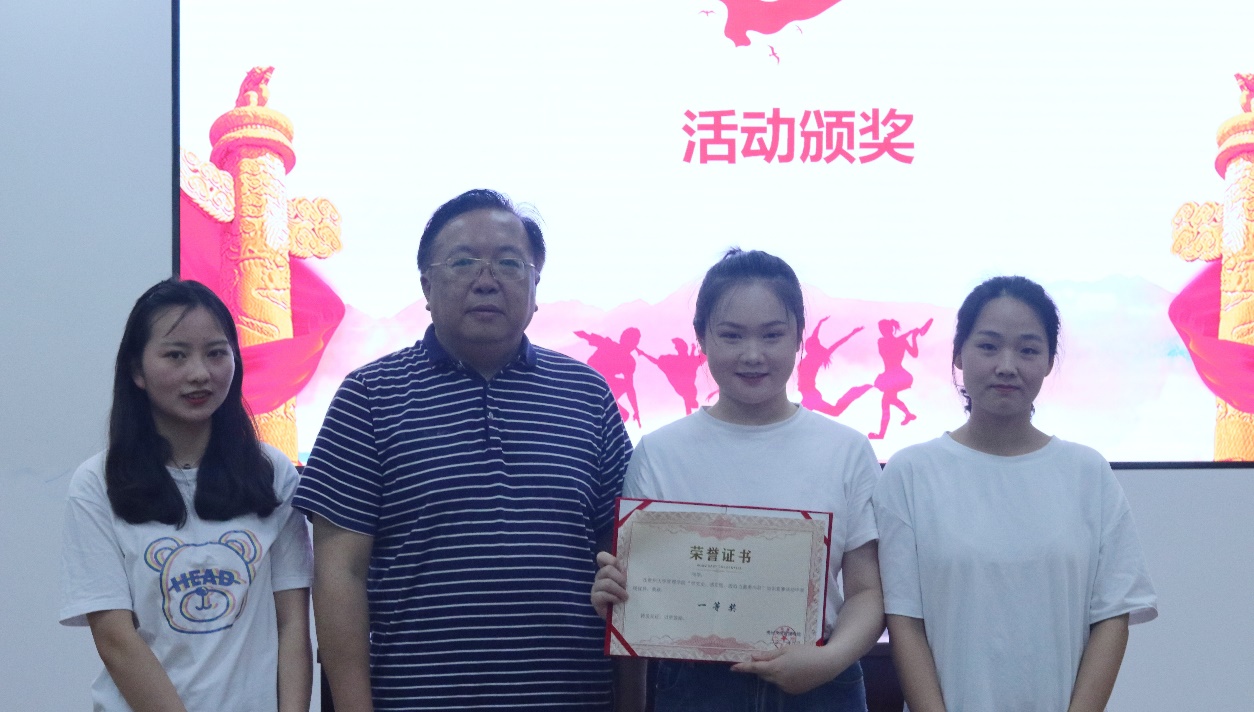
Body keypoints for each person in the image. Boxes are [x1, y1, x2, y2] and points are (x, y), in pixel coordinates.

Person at [294, 189, 633, 711]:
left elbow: (626, 558)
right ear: (426, 286)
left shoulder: (587, 396)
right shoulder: (369, 397)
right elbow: (341, 574)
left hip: (571, 697)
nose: (486, 280)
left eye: (509, 263)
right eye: (463, 262)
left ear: (536, 287)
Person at [592, 249, 884, 712]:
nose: (752, 355)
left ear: (799, 336)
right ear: (701, 338)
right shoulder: (660, 453)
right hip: (696, 688)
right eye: (731, 335)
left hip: (820, 683)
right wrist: (619, 596)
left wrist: (829, 660)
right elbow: (641, 591)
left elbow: (867, 590)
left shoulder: (846, 450)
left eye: (772, 335)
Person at [874, 276, 1158, 712]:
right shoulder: (911, 473)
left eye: (1028, 350)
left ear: (1048, 362)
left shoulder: (1088, 474)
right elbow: (905, 622)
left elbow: (1111, 617)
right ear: (958, 354)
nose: (1007, 366)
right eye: (988, 346)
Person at [59, 279, 314, 712]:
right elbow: (116, 639)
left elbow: (292, 625)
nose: (200, 373)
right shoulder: (97, 484)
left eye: (216, 353)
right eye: (176, 355)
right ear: (137, 371)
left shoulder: (271, 473)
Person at [867, 317, 931, 440]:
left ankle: (882, 433)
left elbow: (914, 354)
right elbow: (892, 345)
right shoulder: (884, 341)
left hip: (897, 376)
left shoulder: (897, 341)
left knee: (886, 402)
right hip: (893, 377)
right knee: (889, 400)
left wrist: (913, 337)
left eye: (883, 329)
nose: (881, 331)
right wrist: (911, 335)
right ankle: (907, 415)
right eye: (880, 329)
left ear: (889, 329)